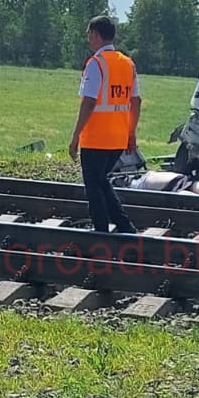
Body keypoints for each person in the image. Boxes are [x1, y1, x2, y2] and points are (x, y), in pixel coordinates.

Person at [69, 16, 141, 235]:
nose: (88, 40)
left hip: (96, 138)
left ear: (97, 35)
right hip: (118, 138)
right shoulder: (128, 63)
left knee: (93, 186)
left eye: (89, 35)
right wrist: (131, 133)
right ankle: (124, 225)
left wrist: (75, 137)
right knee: (101, 181)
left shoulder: (95, 64)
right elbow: (136, 100)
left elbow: (89, 102)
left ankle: (101, 231)